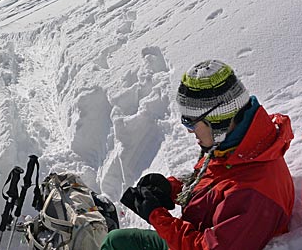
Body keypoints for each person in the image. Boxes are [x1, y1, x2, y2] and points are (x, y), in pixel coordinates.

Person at [102, 60, 294, 250]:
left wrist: (157, 217)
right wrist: (170, 188)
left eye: (191, 122)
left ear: (218, 120)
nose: (189, 131)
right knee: (116, 240)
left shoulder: (252, 196)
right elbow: (215, 186)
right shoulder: (237, 148)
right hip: (190, 238)